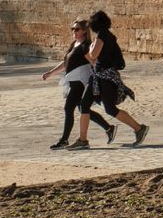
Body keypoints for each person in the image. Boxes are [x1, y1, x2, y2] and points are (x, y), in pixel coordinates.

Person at [70, 10, 147, 148]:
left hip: (105, 78)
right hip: (98, 77)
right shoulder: (106, 35)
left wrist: (92, 44)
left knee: (110, 109)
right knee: (84, 105)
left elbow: (93, 55)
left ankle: (139, 128)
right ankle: (83, 140)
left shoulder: (102, 37)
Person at [41, 18, 113, 149]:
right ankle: (109, 128)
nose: (74, 31)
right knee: (82, 109)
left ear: (85, 31)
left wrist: (102, 77)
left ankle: (64, 140)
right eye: (73, 29)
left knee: (68, 108)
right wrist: (51, 73)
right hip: (72, 82)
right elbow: (66, 63)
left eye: (77, 29)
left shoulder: (86, 47)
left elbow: (94, 62)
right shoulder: (75, 44)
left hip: (80, 83)